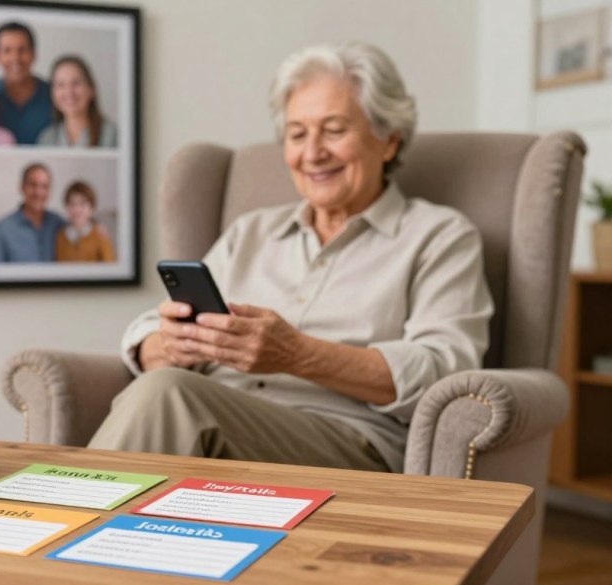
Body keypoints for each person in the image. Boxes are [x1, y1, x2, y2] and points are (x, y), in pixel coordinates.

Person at [88, 41, 494, 475]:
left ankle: (55, 525)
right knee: (163, 384)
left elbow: (445, 372)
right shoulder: (251, 231)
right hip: (211, 415)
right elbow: (153, 326)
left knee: (165, 394)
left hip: (347, 443)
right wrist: (166, 345)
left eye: (334, 130)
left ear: (388, 140)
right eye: (298, 134)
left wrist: (298, 354)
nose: (312, 153)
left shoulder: (439, 236)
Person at [0, 22, 53, 145]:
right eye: (7, 51)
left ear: (34, 54)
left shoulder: (54, 94)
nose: (16, 58)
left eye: (22, 50)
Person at [0, 163, 64, 263]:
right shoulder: (1, 230)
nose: (38, 192)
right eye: (33, 185)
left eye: (44, 187)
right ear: (22, 187)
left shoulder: (59, 224)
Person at [37, 56, 117, 148]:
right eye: (61, 85)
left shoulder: (112, 135)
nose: (69, 92)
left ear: (91, 89)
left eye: (76, 83)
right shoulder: (46, 139)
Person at [55, 181, 115, 262]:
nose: (76, 209)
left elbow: (110, 266)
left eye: (82, 204)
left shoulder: (100, 236)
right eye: (72, 204)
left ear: (91, 207)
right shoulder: (60, 236)